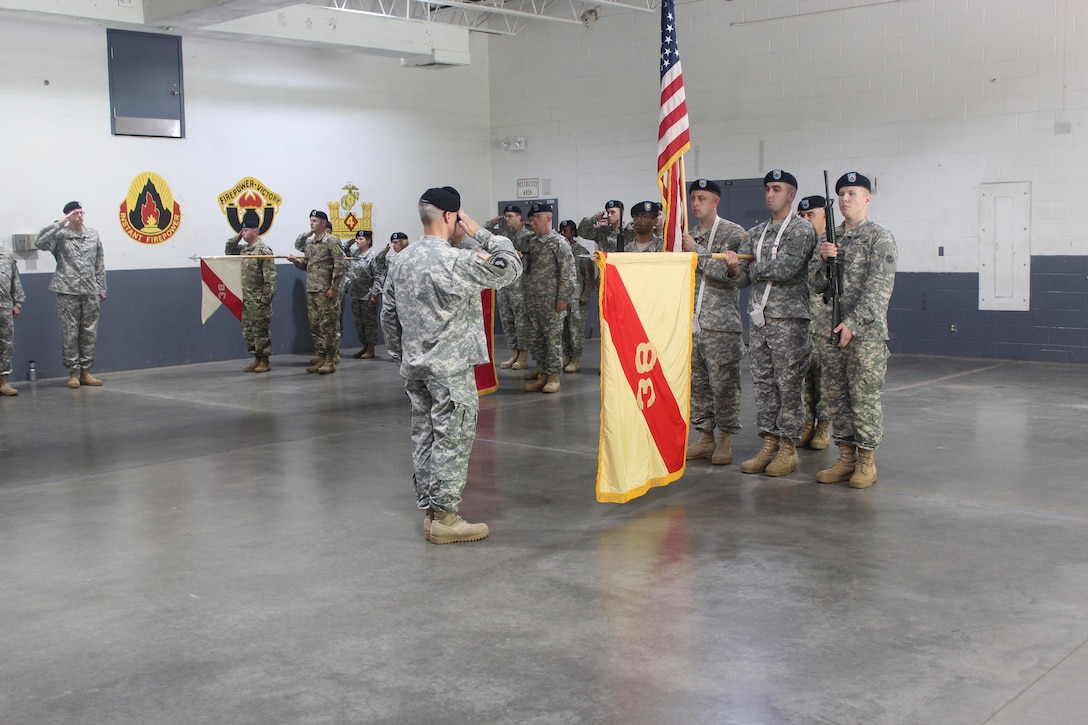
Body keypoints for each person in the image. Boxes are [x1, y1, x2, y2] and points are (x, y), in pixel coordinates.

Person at [380, 186, 522, 544]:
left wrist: (402, 355)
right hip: (450, 367)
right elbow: (510, 268)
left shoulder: (401, 260)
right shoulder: (454, 261)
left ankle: (431, 512)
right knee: (452, 437)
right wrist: (481, 233)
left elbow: (388, 315)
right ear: (449, 216)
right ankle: (446, 517)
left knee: (425, 435)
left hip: (415, 367)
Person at [810, 172, 897, 489]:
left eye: (852, 193)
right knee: (837, 399)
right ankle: (846, 457)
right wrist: (822, 261)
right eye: (842, 194)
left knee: (863, 399)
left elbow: (878, 292)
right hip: (830, 331)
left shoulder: (879, 238)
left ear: (867, 198)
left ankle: (866, 462)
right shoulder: (829, 240)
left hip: (865, 337)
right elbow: (816, 286)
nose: (846, 199)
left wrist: (853, 323)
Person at [735, 170, 818, 477]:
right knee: (764, 385)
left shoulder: (802, 230)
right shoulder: (756, 233)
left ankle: (788, 448)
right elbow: (745, 277)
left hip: (789, 320)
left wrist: (756, 267)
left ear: (791, 195)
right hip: (760, 320)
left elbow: (787, 267)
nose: (771, 194)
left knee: (789, 385)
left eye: (777, 189)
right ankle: (769, 442)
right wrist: (735, 268)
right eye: (768, 189)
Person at [680, 179, 750, 465]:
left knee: (724, 385)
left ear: (715, 201)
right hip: (691, 323)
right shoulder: (688, 235)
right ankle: (704, 436)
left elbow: (734, 276)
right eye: (693, 198)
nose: (696, 203)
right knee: (698, 384)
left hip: (720, 324)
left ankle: (725, 440)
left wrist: (695, 250)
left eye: (702, 198)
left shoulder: (733, 233)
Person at [36, 201, 107, 388]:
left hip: (90, 290)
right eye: (76, 213)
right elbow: (39, 242)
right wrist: (60, 223)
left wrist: (102, 288)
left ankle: (86, 372)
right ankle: (73, 373)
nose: (80, 216)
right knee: (70, 333)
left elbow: (99, 262)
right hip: (68, 290)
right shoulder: (60, 235)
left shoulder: (92, 234)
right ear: (68, 216)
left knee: (89, 333)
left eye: (82, 212)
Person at [517, 202, 576, 394]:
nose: (533, 221)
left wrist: (563, 299)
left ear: (548, 218)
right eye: (532, 218)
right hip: (532, 300)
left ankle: (553, 377)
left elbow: (568, 273)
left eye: (537, 217)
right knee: (536, 339)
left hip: (551, 301)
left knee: (552, 340)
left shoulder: (559, 243)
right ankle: (542, 372)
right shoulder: (532, 242)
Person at [288, 210, 345, 374]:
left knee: (328, 327)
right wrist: (295, 262)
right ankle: (321, 357)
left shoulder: (332, 241)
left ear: (323, 222)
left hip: (326, 291)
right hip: (312, 290)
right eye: (310, 221)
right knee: (315, 326)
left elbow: (339, 265)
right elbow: (308, 266)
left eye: (314, 221)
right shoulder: (311, 244)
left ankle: (330, 360)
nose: (311, 223)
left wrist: (334, 288)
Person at [796, 195, 832, 450]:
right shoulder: (798, 244)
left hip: (824, 320)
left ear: (824, 218)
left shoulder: (832, 245)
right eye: (802, 216)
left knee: (823, 375)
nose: (806, 220)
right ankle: (807, 422)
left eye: (812, 215)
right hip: (800, 319)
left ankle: (823, 425)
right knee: (803, 376)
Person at [225, 210, 277, 373]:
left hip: (259, 299)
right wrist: (238, 237)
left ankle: (265, 360)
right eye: (242, 230)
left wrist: (266, 299)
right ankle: (256, 358)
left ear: (255, 231)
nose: (243, 232)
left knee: (260, 331)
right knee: (249, 332)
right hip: (246, 299)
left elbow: (270, 278)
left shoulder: (263, 251)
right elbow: (229, 249)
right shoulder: (244, 250)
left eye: (246, 230)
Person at [486, 205, 532, 370]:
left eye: (511, 216)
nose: (507, 219)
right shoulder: (502, 235)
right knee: (507, 319)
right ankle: (514, 352)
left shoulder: (528, 236)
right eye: (505, 216)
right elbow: (483, 234)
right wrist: (492, 222)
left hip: (520, 285)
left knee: (521, 321)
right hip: (503, 283)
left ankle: (523, 355)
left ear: (520, 218)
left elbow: (534, 258)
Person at [558, 219, 595, 373]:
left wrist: (585, 297)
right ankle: (567, 356)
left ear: (573, 232)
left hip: (577, 298)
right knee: (563, 330)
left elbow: (589, 277)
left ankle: (576, 358)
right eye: (561, 231)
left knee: (575, 330)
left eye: (566, 230)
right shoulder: (559, 250)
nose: (564, 234)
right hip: (562, 298)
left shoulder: (581, 252)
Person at [344, 230, 383, 359]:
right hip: (355, 293)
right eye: (357, 239)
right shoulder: (355, 254)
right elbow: (343, 250)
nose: (358, 242)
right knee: (359, 323)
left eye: (361, 239)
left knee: (369, 322)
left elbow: (378, 276)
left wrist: (375, 294)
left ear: (368, 241)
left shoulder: (373, 256)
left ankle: (371, 348)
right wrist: (350, 242)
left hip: (368, 293)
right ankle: (364, 346)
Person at [0, 242, 25, 396]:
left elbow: (15, 280)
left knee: (6, 345)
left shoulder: (7, 255)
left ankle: (3, 382)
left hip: (4, 306)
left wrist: (17, 303)